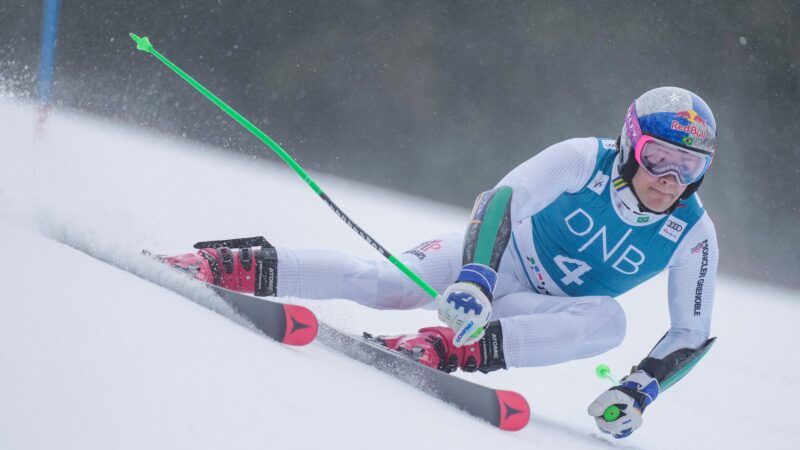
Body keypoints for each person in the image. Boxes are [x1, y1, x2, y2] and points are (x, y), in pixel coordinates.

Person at [159, 86, 719, 439]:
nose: (669, 180)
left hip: (533, 309)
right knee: (382, 283)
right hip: (495, 261)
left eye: (687, 168)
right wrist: (476, 278)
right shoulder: (582, 159)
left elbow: (691, 329)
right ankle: (228, 265)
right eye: (658, 158)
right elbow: (499, 202)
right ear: (629, 143)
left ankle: (447, 348)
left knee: (609, 323)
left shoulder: (693, 232)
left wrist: (637, 391)